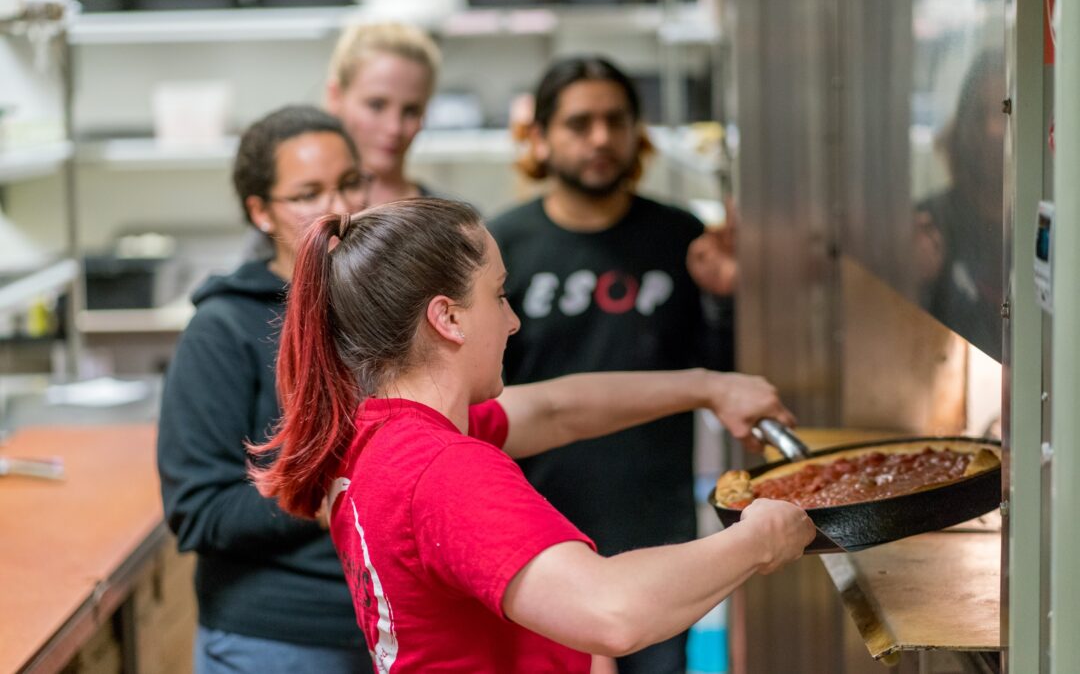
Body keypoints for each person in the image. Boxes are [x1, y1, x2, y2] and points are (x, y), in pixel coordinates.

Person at [250, 197, 816, 672]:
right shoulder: (443, 469)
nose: (513, 320)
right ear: (448, 318)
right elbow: (613, 612)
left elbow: (555, 408)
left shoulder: (382, 435)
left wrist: (708, 387)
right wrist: (759, 539)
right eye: (498, 295)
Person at [488, 55, 734, 673]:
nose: (600, 138)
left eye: (614, 121)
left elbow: (720, 378)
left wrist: (724, 300)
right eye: (579, 123)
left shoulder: (681, 237)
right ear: (540, 137)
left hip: (654, 522)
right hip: (533, 528)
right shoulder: (499, 248)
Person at [156, 105, 375, 673]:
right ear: (261, 212)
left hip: (391, 629)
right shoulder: (223, 328)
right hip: (281, 640)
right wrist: (328, 498)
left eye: (352, 183)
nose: (341, 209)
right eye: (308, 193)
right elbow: (200, 510)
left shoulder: (384, 313)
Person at [913, 49, 1005, 358]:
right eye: (980, 114)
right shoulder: (931, 223)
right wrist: (920, 280)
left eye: (1005, 111)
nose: (994, 130)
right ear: (963, 126)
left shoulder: (1039, 227)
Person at [325, 22, 442, 206]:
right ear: (336, 97)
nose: (394, 128)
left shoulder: (454, 225)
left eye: (411, 111)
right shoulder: (295, 219)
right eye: (376, 105)